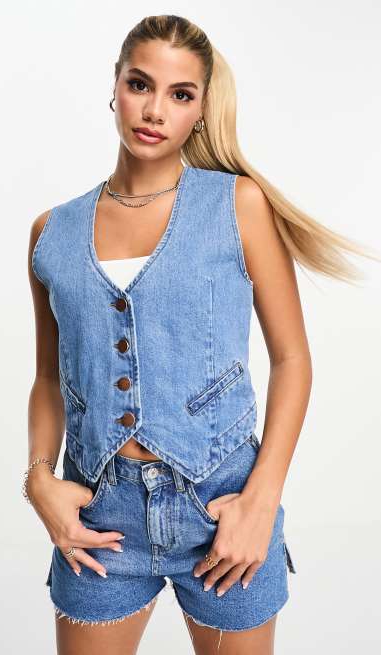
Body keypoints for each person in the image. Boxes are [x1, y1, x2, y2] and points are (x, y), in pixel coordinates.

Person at [24, 15, 375, 655]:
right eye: (140, 84)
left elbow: (293, 359)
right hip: (98, 519)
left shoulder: (238, 205)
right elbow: (49, 377)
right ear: (115, 85)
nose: (154, 110)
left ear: (201, 110)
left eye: (180, 94)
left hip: (222, 507)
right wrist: (39, 479)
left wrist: (260, 503)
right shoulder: (52, 231)